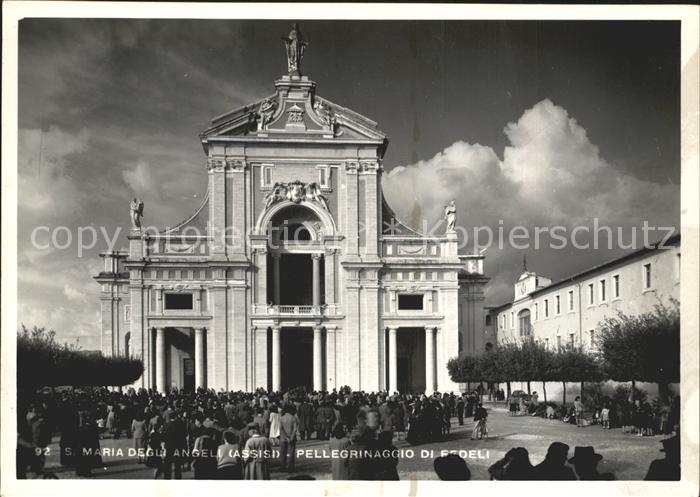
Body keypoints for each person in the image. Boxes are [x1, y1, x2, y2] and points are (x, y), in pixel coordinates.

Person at [279, 405, 299, 472]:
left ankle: (282, 466)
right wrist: (291, 437)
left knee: (283, 453)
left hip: (283, 438)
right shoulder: (293, 418)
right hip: (292, 437)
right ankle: (290, 467)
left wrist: (286, 437)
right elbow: (295, 429)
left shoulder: (281, 418)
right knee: (291, 453)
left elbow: (281, 429)